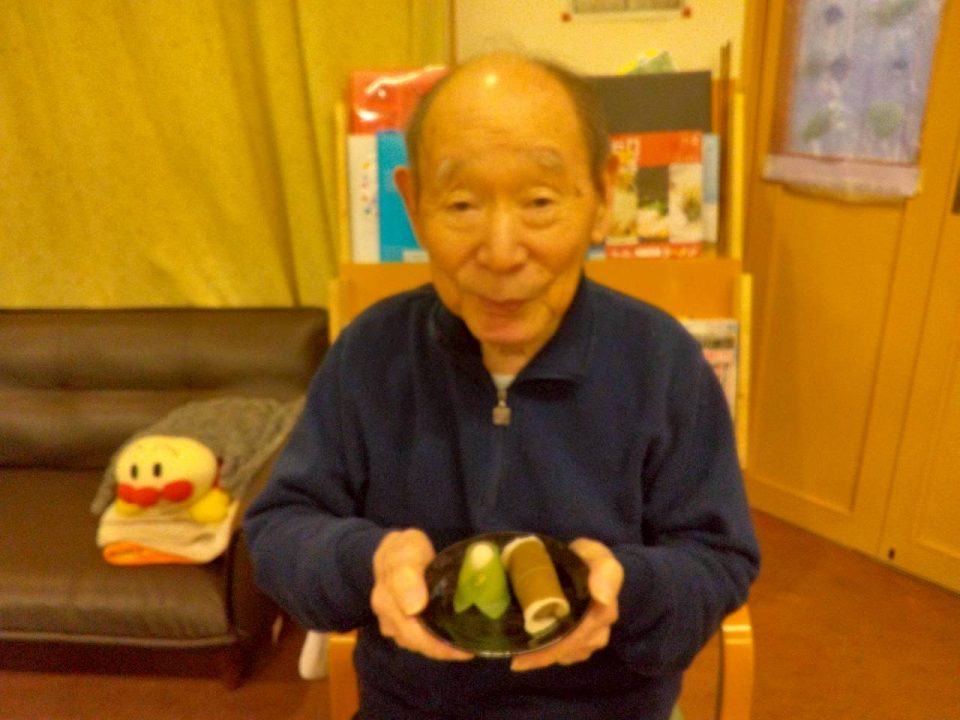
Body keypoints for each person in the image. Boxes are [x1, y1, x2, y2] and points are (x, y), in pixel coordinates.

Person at [244, 52, 760, 720]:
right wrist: (368, 562)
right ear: (413, 204)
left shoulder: (662, 361)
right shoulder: (370, 353)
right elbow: (280, 527)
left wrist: (627, 589)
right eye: (461, 203)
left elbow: (718, 559)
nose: (500, 251)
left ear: (603, 198)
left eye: (540, 202)